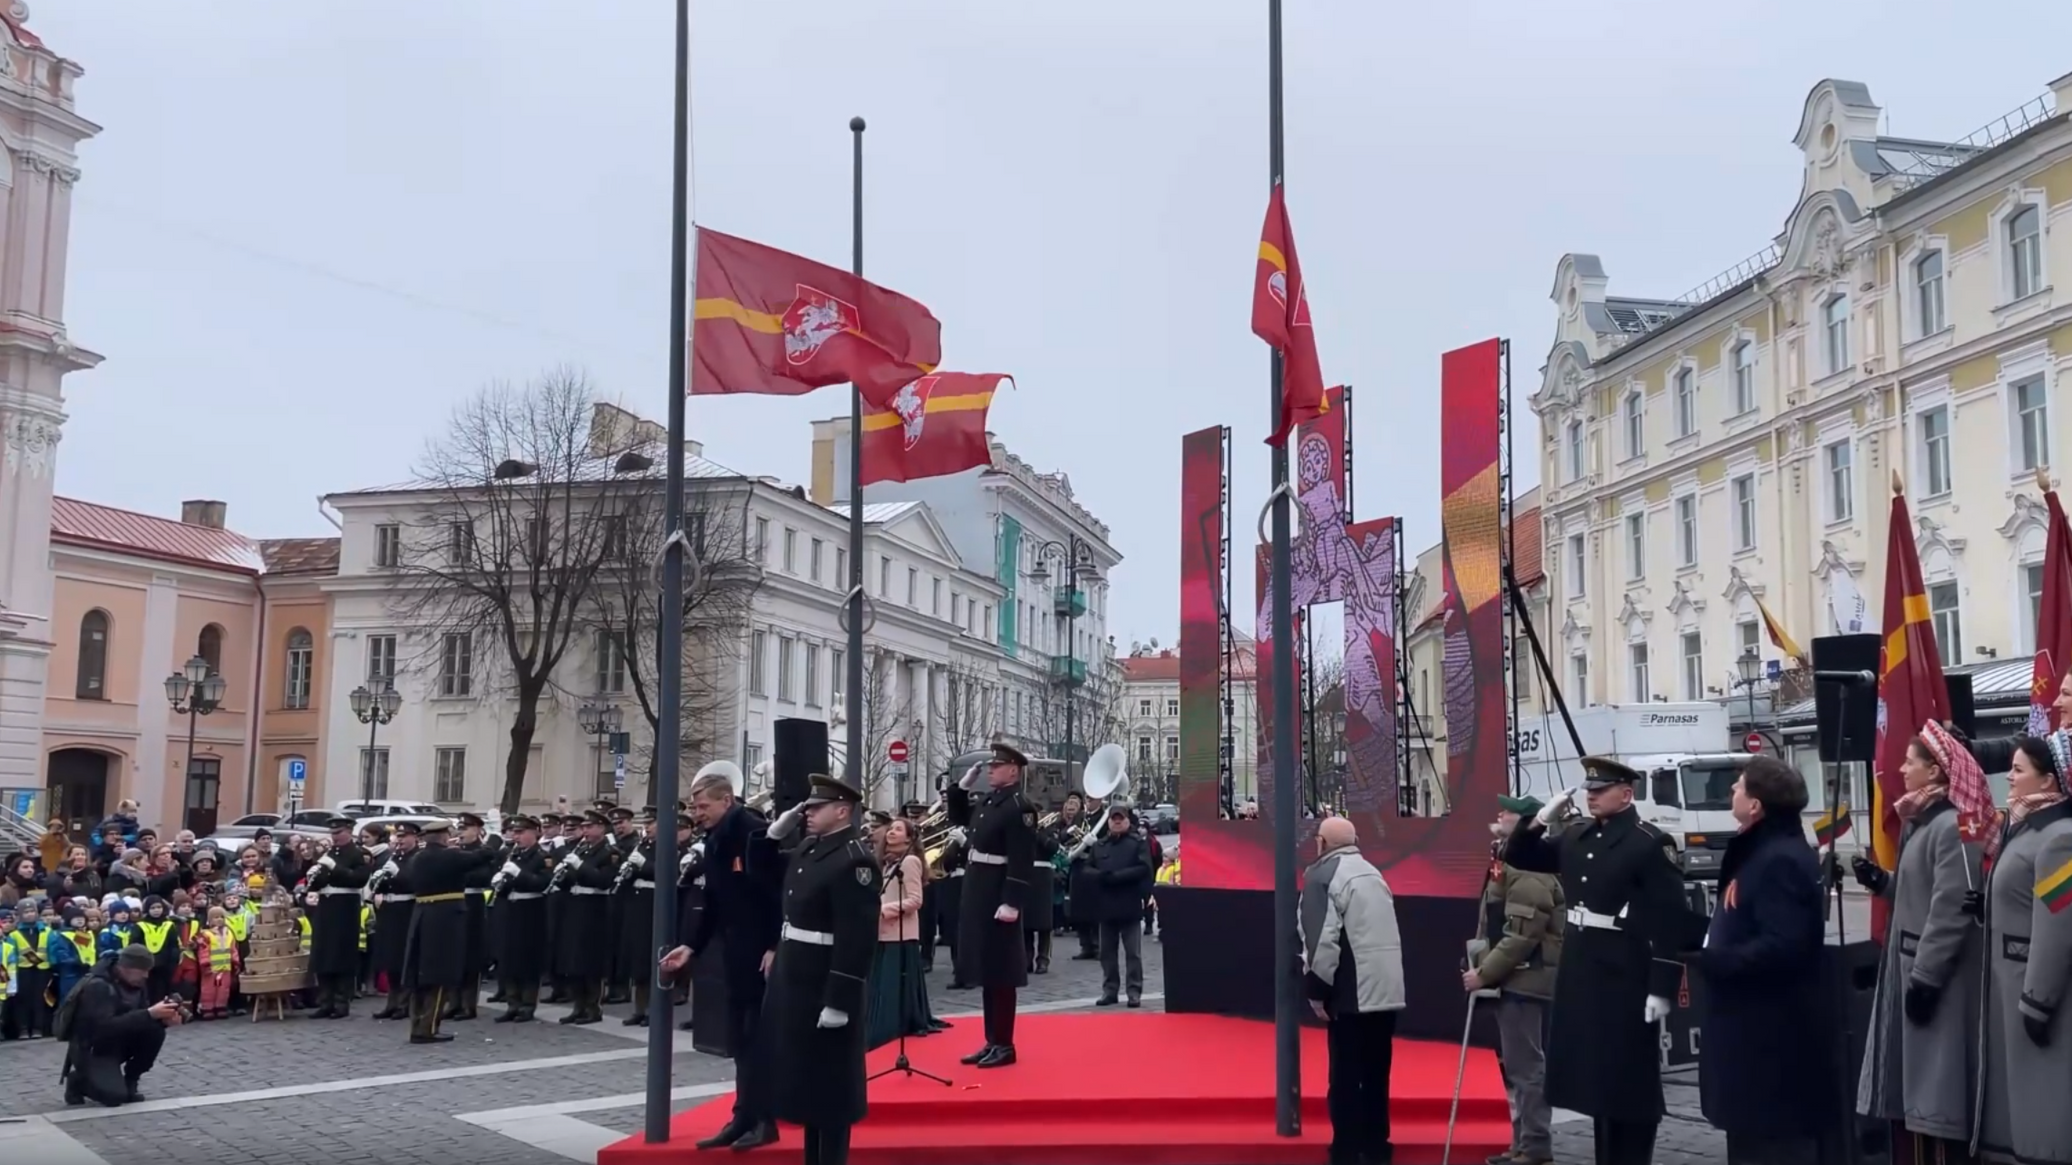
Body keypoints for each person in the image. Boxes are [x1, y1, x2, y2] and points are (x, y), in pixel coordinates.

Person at [1502, 756, 1696, 1165]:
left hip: (1626, 971)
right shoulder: (1577, 837)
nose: (1591, 796)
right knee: (1596, 1081)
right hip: (1582, 969)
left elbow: (1670, 920)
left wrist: (1661, 987)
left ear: (1626, 794)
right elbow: (1518, 854)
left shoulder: (1649, 842)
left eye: (1600, 790)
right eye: (1588, 790)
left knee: (1629, 1080)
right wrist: (1537, 820)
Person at [703, 771, 874, 1165]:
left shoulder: (854, 860)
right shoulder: (811, 849)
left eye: (817, 807)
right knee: (808, 1085)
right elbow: (759, 869)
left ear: (842, 810)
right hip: (795, 979)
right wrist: (771, 834)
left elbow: (856, 939)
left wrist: (840, 999)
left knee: (831, 1089)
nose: (807, 813)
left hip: (823, 980)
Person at [1854, 720, 1990, 1163]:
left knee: (1938, 1089)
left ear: (1935, 772)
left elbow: (1953, 907)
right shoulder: (1922, 820)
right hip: (1911, 969)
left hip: (1936, 980)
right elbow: (1920, 890)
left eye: (1910, 761)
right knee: (1918, 1087)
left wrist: (1927, 978)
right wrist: (1882, 883)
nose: (1901, 768)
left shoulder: (1953, 824)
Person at [1697, 756, 1830, 1165]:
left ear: (1756, 804)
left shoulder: (1780, 859)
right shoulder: (1757, 852)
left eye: (1738, 786)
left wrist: (1720, 962)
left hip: (1769, 1035)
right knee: (1746, 1140)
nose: (1731, 792)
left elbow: (1785, 944)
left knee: (1772, 1146)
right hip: (1744, 1027)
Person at [676, 761, 784, 1151]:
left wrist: (774, 944)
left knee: (759, 1036)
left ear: (727, 800)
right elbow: (713, 899)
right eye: (694, 806)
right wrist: (691, 945)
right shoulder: (716, 837)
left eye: (702, 806)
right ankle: (742, 1116)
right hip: (734, 948)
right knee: (739, 1036)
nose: (696, 813)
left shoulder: (753, 832)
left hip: (761, 950)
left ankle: (765, 1119)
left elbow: (776, 894)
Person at [1977, 731, 2072, 1165]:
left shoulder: (2059, 839)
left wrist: (2036, 1002)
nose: (2008, 779)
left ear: (2049, 782)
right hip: (2010, 986)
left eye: (2018, 770)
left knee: (2045, 1111)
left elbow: (2058, 925)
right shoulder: (2025, 829)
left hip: (2037, 998)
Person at [1300, 815, 1406, 1165]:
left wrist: (1316, 990)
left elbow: (1322, 941)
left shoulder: (1323, 876)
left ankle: (1346, 1149)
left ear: (1322, 843)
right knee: (1377, 1073)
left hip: (1350, 993)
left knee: (1345, 1076)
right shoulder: (1374, 873)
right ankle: (1377, 1146)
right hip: (1385, 990)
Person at [1465, 794, 1564, 1165]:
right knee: (1520, 1066)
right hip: (1516, 977)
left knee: (1526, 1069)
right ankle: (1523, 1143)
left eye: (1507, 810)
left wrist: (1484, 973)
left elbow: (1522, 936)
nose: (1499, 814)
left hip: (1525, 979)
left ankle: (1535, 1146)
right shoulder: (1509, 861)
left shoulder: (1529, 871)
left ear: (1524, 821)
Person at [946, 742, 1040, 1068]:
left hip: (998, 890)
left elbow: (1022, 858)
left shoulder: (1020, 807)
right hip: (979, 886)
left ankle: (1005, 1044)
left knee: (1001, 971)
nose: (989, 769)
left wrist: (1012, 901)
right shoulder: (990, 800)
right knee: (987, 970)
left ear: (1013, 770)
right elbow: (958, 817)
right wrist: (961, 787)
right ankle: (992, 1040)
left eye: (995, 765)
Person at [400, 818, 501, 1045]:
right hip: (445, 917)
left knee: (421, 974)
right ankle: (428, 1027)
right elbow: (484, 855)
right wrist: (493, 834)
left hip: (422, 914)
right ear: (444, 837)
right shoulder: (449, 856)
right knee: (439, 973)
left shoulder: (418, 858)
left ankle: (417, 1024)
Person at [61, 944, 182, 1107]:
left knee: (155, 1031)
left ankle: (131, 1081)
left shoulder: (136, 984)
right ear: (125, 967)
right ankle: (78, 1081)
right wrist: (149, 1014)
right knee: (113, 1097)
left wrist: (163, 1020)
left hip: (117, 1042)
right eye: (142, 970)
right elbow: (103, 1028)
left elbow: (139, 1019)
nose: (146, 975)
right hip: (91, 1048)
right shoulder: (98, 986)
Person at [552, 809, 621, 1025]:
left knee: (591, 961)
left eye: (590, 827)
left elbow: (602, 880)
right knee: (573, 959)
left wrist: (578, 866)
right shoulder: (581, 850)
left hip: (594, 909)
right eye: (584, 827)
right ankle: (578, 1006)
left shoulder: (610, 852)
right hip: (574, 907)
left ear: (602, 828)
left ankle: (593, 1007)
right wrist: (561, 874)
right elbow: (569, 881)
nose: (586, 831)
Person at [1084, 803, 1152, 1007]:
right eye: (1113, 819)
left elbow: (1143, 868)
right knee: (1107, 954)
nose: (1117, 822)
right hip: (1106, 906)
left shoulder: (1137, 843)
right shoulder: (1099, 845)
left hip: (1129, 904)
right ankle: (1110, 990)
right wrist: (1101, 876)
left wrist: (1118, 877)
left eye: (1120, 818)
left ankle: (1134, 991)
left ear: (1127, 821)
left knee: (1133, 953)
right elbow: (1086, 869)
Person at [306, 815, 372, 1019]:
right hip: (326, 906)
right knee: (323, 953)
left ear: (349, 831)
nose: (335, 837)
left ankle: (342, 1003)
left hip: (345, 907)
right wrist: (314, 877)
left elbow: (359, 879)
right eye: (332, 833)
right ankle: (325, 1001)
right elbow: (319, 883)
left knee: (342, 955)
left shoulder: (357, 853)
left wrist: (335, 868)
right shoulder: (329, 852)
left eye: (339, 832)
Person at [491, 815, 553, 1023]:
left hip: (530, 911)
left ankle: (527, 1005)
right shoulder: (510, 854)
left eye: (521, 832)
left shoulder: (542, 856)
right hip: (509, 910)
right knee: (508, 958)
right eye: (514, 832)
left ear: (533, 833)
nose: (516, 837)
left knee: (527, 959)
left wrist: (519, 874)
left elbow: (543, 883)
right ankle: (512, 1003)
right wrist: (499, 881)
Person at [448, 811, 499, 1021]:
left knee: (471, 955)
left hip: (474, 904)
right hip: (454, 903)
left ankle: (469, 1004)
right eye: (459, 828)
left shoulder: (484, 851)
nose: (461, 833)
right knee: (453, 955)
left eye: (465, 828)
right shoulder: (454, 851)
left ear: (478, 830)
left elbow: (484, 877)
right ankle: (454, 1002)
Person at [614, 807, 660, 1027]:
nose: (647, 828)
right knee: (637, 959)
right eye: (647, 824)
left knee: (650, 959)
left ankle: (654, 1009)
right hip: (637, 904)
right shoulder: (643, 845)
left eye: (651, 824)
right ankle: (639, 1009)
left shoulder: (670, 846)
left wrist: (643, 864)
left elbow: (669, 871)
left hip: (654, 904)